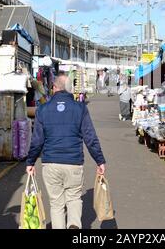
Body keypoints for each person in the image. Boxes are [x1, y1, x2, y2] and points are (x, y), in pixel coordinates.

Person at [26, 73, 106, 229]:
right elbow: (90, 137)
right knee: (74, 198)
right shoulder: (80, 108)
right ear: (69, 90)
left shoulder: (42, 109)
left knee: (56, 204)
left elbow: (37, 140)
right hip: (74, 163)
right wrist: (100, 160)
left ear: (54, 88)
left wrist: (30, 162)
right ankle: (74, 224)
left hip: (51, 163)